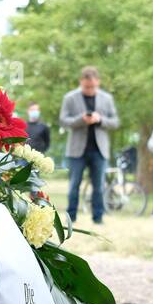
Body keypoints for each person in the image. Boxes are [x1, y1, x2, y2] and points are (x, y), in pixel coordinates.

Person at [60, 66, 121, 225]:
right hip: (76, 150)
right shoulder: (70, 98)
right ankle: (71, 217)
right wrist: (81, 120)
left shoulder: (107, 99)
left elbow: (115, 122)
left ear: (98, 82)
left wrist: (99, 119)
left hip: (99, 150)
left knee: (99, 186)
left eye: (93, 86)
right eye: (87, 86)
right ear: (81, 82)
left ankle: (98, 218)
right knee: (74, 186)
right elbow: (63, 121)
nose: (90, 89)